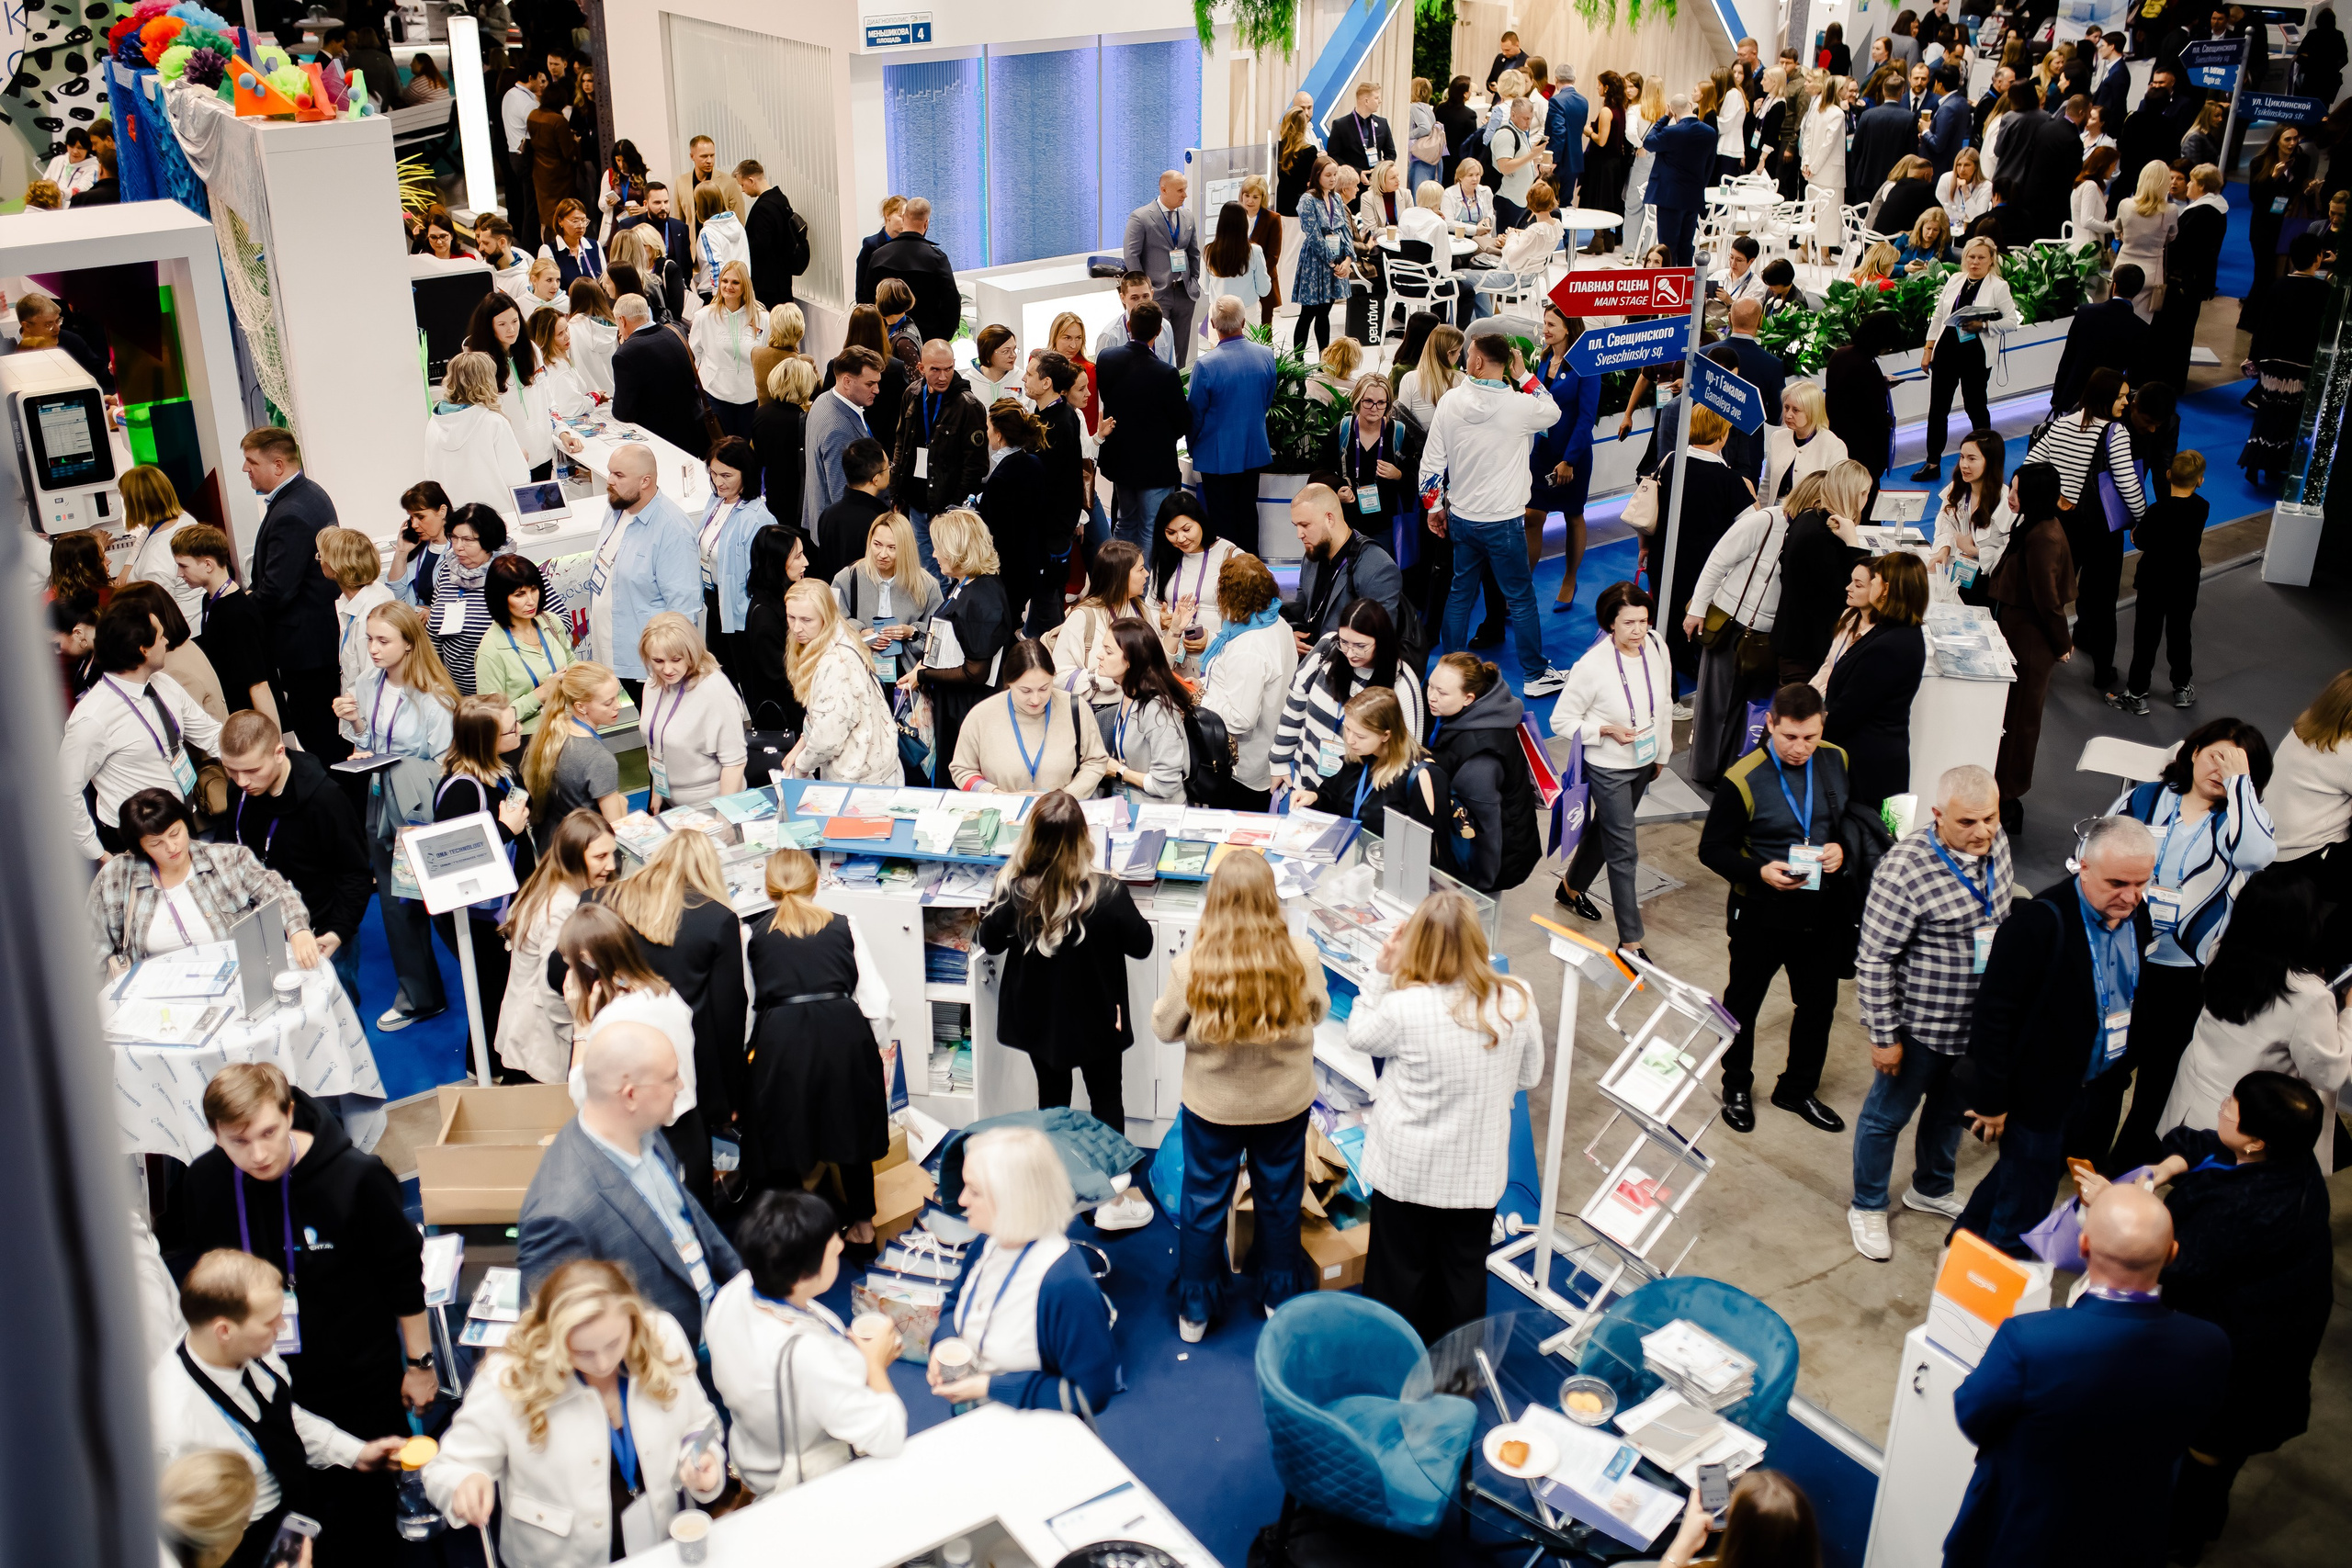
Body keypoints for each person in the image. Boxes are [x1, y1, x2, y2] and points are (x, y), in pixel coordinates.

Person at [161, 1064, 430, 1563]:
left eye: (269, 1132)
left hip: (357, 1377)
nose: (258, 1154)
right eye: (238, 1141)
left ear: (290, 1114)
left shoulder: (356, 1177)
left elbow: (401, 1277)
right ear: (215, 1135)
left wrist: (419, 1364)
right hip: (262, 1376)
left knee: (367, 1515)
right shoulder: (203, 1183)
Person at [1945, 1181, 2231, 1567]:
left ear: (2083, 1246)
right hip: (2132, 1531)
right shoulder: (2209, 1344)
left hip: (2024, 1531)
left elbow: (1973, 1414)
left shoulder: (2030, 1340)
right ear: (2173, 1253)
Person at [2143, 1073, 2335, 1559]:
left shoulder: (2255, 1206)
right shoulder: (2283, 1158)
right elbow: (2205, 1141)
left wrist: (2119, 1215)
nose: (2224, 1105)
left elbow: (2181, 1263)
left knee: (2206, 1456)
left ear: (2255, 1141)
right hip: (2241, 1336)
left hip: (2245, 1358)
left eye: (2234, 1106)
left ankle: (2179, 1542)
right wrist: (2169, 1166)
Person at [427, 1257, 726, 1563]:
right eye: (582, 1352)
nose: (602, 1363)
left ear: (633, 1319)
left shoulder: (662, 1337)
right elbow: (444, 1469)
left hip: (660, 1550)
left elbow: (700, 1423)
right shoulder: (508, 1380)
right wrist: (465, 1484)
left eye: (614, 1343)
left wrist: (703, 1455)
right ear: (551, 1340)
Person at [1953, 813, 2157, 1251]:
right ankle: (1992, 1297)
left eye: (2142, 883)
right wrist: (1991, 1103)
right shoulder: (2038, 925)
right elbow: (1993, 1018)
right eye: (2118, 883)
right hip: (2039, 1094)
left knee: (2019, 1177)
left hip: (2097, 1089)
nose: (2131, 897)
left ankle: (1961, 1245)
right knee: (2027, 1206)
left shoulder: (2138, 917)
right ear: (2084, 865)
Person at [1350, 887, 1543, 1347]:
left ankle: (1395, 1366)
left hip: (1406, 1169)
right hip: (1475, 1172)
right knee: (1463, 1276)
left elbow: (1359, 1036)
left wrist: (1380, 974)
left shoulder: (1404, 1007)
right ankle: (1456, 1379)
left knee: (1399, 1271)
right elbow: (1530, 1075)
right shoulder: (1517, 999)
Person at [1148, 852, 1329, 1340]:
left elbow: (1165, 1027)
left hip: (1214, 1105)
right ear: (1272, 900)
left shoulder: (1193, 966)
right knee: (1280, 1198)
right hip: (1284, 1103)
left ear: (1217, 900)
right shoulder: (1302, 957)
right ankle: (1276, 1295)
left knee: (1204, 1203)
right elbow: (1318, 1011)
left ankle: (1195, 1312)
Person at [1845, 764, 2014, 1260]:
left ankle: (1932, 1187)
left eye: (1991, 818)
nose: (1982, 832)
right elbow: (1874, 957)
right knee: (1886, 1117)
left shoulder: (1995, 842)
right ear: (1938, 816)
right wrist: (1883, 1035)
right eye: (1968, 823)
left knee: (1949, 1112)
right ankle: (1868, 1205)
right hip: (1919, 1026)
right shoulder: (1903, 870)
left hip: (1977, 1024)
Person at [2098, 717, 2278, 1168]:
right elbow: (2097, 849)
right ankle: (2081, 1154)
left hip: (2185, 974)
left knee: (2157, 1082)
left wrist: (2241, 788)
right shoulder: (2145, 798)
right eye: (2217, 755)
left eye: (2239, 765)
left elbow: (2256, 856)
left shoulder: (2242, 823)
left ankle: (2124, 1172)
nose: (2222, 768)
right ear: (2194, 752)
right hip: (2122, 956)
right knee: (2104, 1067)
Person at [150, 1250, 404, 1568]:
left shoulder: (253, 1348)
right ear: (224, 1331)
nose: (283, 1327)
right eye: (271, 1321)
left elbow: (285, 1416)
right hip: (241, 1547)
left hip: (295, 1518)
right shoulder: (171, 1422)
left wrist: (355, 1452)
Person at [518, 1009, 742, 1348]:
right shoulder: (560, 1215)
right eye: (671, 1078)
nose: (680, 1086)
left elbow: (686, 1215)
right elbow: (565, 1341)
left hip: (713, 1325)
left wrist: (743, 1283)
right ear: (631, 1095)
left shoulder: (641, 1131)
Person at [1699, 682, 1854, 1134]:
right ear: (1769, 724)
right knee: (1743, 1004)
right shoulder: (1742, 779)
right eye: (1789, 737)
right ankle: (1737, 1087)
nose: (1800, 748)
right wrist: (1758, 871)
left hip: (1820, 910)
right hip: (1761, 913)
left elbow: (1848, 822)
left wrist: (1840, 849)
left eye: (1809, 737)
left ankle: (1797, 1089)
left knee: (1818, 1004)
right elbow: (1712, 850)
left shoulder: (1836, 759)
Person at [976, 793, 1156, 1173]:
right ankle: (1111, 1184)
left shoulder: (1015, 891)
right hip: (1100, 1021)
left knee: (1053, 1098)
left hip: (1040, 1022)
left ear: (1032, 838)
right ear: (1083, 840)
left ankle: (1057, 1177)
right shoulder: (1107, 894)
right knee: (1107, 1098)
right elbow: (1142, 946)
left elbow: (989, 941)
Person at [706, 1190, 906, 1495]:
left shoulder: (731, 1294)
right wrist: (875, 1365)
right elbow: (889, 1435)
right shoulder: (807, 1356)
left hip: (754, 1450)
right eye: (832, 1246)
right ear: (800, 1276)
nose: (840, 1243)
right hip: (803, 1481)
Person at [737, 844, 896, 1224]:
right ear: (816, 883)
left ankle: (799, 1233)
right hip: (843, 1033)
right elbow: (877, 1000)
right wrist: (877, 1045)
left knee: (786, 1134)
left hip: (782, 1040)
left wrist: (746, 1053)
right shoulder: (845, 924)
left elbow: (748, 1006)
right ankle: (861, 1225)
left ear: (767, 887)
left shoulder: (751, 935)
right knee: (851, 1129)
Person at [1423, 332, 1572, 697]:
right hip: (1504, 522)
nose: (1464, 360)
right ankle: (1535, 675)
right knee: (1520, 598)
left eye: (1468, 354)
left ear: (1476, 362)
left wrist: (1435, 508)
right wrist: (1524, 376)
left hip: (1462, 517)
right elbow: (1553, 411)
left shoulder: (1450, 402)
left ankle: (1450, 672)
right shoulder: (1520, 406)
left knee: (1460, 594)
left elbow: (1431, 464)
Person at [932, 1126, 1122, 1409]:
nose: (961, 1201)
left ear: (1013, 1199)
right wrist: (944, 1342)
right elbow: (955, 1300)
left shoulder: (1064, 1282)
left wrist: (989, 1386)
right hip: (979, 1420)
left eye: (974, 1191)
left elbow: (1089, 1394)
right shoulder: (989, 1242)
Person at [332, 600, 456, 1029]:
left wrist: (394, 762)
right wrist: (355, 725)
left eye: (383, 640)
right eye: (369, 638)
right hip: (381, 802)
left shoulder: (435, 697)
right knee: (395, 903)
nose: (373, 648)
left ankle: (487, 980)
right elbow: (368, 734)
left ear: (408, 644)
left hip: (419, 812)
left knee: (437, 904)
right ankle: (420, 995)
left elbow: (445, 765)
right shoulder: (369, 683)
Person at [219, 713, 373, 1005]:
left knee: (338, 1014)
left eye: (251, 770)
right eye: (231, 770)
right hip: (261, 927)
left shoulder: (325, 799)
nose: (241, 781)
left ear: (279, 753)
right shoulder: (239, 789)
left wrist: (338, 932)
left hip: (320, 929)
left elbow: (355, 874)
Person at [1553, 582, 1675, 953]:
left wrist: (1662, 753)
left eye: (1644, 621)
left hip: (1644, 758)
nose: (1639, 631)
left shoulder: (1656, 645)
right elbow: (1561, 721)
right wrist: (1603, 729)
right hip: (1608, 766)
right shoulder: (1591, 666)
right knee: (1624, 849)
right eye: (1629, 623)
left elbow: (1665, 702)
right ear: (1610, 624)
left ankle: (1571, 888)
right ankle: (1631, 941)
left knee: (1607, 828)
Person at [86, 788, 315, 978]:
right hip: (156, 993)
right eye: (156, 843)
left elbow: (275, 889)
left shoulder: (227, 859)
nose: (171, 847)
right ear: (140, 847)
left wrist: (297, 930)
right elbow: (91, 947)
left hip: (231, 979)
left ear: (186, 825)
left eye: (175, 833)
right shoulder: (116, 877)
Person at [62, 603, 224, 861]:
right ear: (143, 650)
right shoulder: (92, 719)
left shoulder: (163, 684)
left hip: (180, 823)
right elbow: (65, 789)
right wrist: (98, 854)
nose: (167, 641)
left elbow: (210, 734)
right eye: (160, 636)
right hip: (137, 840)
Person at [2026, 368, 2143, 692]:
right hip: (2102, 528)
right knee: (2101, 598)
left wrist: (2059, 495)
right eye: (2120, 396)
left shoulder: (2059, 424)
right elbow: (2127, 483)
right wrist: (2142, 518)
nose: (2126, 401)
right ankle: (2102, 673)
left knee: (2051, 594)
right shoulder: (2115, 433)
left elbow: (2031, 466)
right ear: (2105, 398)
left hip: (2060, 525)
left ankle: (2036, 658)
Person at [239, 428, 343, 760]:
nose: (245, 469)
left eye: (251, 462)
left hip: (303, 650)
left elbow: (277, 591)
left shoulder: (291, 513)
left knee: (319, 739)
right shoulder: (309, 493)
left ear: (279, 465)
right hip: (314, 639)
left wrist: (239, 607)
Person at [1271, 598, 1427, 797]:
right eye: (1344, 642)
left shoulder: (1402, 684)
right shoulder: (1328, 648)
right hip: (1307, 783)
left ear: (1381, 641)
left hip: (1356, 797)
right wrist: (1280, 760)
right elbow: (1296, 703)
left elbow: (1407, 756)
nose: (1350, 653)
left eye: (1361, 645)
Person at [582, 443, 702, 701]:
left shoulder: (672, 529)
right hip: (611, 652)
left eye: (619, 475)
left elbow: (683, 607)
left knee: (662, 734)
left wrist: (671, 665)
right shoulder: (616, 508)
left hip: (648, 666)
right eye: (610, 472)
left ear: (645, 480)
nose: (609, 481)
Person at [1654, 404, 1762, 684]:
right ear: (1723, 436)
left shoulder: (1670, 461)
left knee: (1664, 622)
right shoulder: (1729, 480)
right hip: (1704, 568)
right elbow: (1755, 527)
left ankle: (1670, 678)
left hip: (1664, 557)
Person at [907, 510, 1013, 790]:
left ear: (958, 550)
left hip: (967, 714)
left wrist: (926, 675)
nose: (933, 555)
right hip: (955, 708)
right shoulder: (968, 586)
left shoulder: (982, 598)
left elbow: (976, 672)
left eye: (938, 548)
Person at [1423, 652, 1542, 897]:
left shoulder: (1480, 757)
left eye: (1442, 693)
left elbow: (1487, 832)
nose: (1431, 697)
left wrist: (1474, 887)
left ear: (1468, 698)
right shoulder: (1480, 712)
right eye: (1430, 686)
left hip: (1491, 864)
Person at [1821, 553, 1929, 807]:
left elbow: (1850, 710)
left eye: (1875, 579)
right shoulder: (1894, 631)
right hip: (1872, 763)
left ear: (1886, 589)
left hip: (1866, 772)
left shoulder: (1891, 646)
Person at [1909, 238, 2021, 482]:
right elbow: (1939, 315)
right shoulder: (1955, 279)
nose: (1975, 262)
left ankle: (1987, 460)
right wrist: (1928, 349)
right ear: (1964, 258)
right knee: (1938, 409)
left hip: (1975, 354)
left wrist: (1984, 325)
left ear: (1991, 259)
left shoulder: (1998, 287)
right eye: (1971, 257)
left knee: (1975, 407)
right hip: (1947, 350)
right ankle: (1932, 462)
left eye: (1981, 257)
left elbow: (2012, 322)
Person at [1193, 554, 1298, 811]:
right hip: (1267, 756)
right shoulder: (1276, 623)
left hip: (1243, 769)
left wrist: (1199, 697)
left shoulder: (1248, 647)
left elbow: (1241, 719)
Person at [772, 580, 899, 786]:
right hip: (865, 766)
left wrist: (802, 767)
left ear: (826, 617)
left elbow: (827, 738)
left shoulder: (836, 663)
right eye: (791, 617)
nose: (796, 628)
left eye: (806, 620)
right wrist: (801, 746)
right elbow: (822, 715)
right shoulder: (835, 637)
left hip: (861, 779)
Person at [952, 637, 1110, 796]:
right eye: (1025, 691)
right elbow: (962, 770)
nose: (1035, 700)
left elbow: (1095, 761)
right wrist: (997, 795)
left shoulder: (1074, 708)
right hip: (1001, 811)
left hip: (1062, 813)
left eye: (1044, 688)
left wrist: (1067, 796)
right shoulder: (982, 715)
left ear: (1054, 677)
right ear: (1009, 682)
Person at [1094, 304, 1191, 556]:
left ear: (1128, 326)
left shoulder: (1106, 359)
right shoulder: (1166, 373)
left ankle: (1119, 586)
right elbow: (1182, 420)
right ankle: (1144, 592)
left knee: (1124, 522)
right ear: (1159, 331)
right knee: (1151, 527)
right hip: (1155, 466)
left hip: (1120, 462)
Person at [1185, 297, 1280, 554]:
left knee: (1221, 521)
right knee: (1248, 513)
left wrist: (1193, 448)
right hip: (1253, 449)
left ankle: (1228, 578)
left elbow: (1194, 414)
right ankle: (1252, 574)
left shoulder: (1206, 365)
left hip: (1216, 457)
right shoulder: (1265, 355)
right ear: (1244, 322)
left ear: (1213, 324)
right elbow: (1266, 400)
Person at [892, 339, 990, 576]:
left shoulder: (969, 405)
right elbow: (901, 444)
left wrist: (955, 507)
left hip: (948, 506)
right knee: (926, 568)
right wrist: (896, 491)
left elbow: (976, 465)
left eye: (948, 368)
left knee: (952, 570)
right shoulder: (912, 394)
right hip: (916, 501)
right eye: (935, 369)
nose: (943, 376)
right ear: (921, 368)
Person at [165, 525, 276, 724]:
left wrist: (274, 744)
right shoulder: (210, 600)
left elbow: (258, 684)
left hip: (250, 718)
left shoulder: (236, 612)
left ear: (208, 565)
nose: (180, 574)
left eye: (184, 566)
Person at [973, 400, 1057, 638]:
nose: (987, 433)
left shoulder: (1001, 477)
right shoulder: (1033, 462)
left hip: (1008, 568)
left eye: (989, 429)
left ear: (999, 436)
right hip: (1031, 561)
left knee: (1004, 625)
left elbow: (1000, 532)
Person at [832, 509, 941, 687]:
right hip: (859, 674)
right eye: (877, 545)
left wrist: (911, 632)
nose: (882, 554)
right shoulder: (846, 578)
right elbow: (831, 624)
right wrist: (860, 632)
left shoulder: (926, 585)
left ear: (905, 549)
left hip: (907, 676)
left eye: (892, 548)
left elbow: (938, 638)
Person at [1092, 618, 1193, 808]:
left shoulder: (1157, 709)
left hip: (1161, 815)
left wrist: (1119, 770)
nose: (1099, 655)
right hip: (1134, 807)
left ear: (1131, 660)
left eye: (1108, 651)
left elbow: (1166, 784)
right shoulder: (1129, 695)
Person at [803, 349, 886, 568]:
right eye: (870, 384)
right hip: (847, 541)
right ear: (847, 381)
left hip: (825, 525)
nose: (877, 390)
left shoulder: (823, 400)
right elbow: (843, 494)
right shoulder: (839, 429)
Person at [523, 662, 629, 828]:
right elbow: (616, 828)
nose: (618, 706)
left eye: (618, 696)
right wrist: (622, 803)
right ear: (581, 707)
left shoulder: (551, 736)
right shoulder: (598, 759)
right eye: (608, 703)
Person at [472, 554, 574, 723]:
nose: (531, 601)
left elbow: (571, 661)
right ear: (500, 598)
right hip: (528, 741)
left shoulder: (551, 621)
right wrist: (539, 695)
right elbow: (493, 718)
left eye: (534, 590)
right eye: (519, 594)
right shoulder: (490, 650)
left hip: (569, 725)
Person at [1149, 492, 1238, 676]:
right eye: (1171, 533)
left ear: (1200, 522)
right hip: (1172, 664)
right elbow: (1149, 607)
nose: (1180, 539)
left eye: (1186, 529)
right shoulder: (1164, 558)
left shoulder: (1231, 556)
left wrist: (1213, 639)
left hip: (1219, 662)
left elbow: (1250, 617)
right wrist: (1160, 621)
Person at [1120, 169, 1204, 363]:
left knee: (1181, 349)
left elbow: (1194, 253)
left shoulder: (1187, 216)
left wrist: (1193, 280)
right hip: (1156, 293)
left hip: (1184, 293)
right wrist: (1144, 292)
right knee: (1157, 349)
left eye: (1185, 189)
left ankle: (1178, 385)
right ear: (1164, 189)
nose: (1185, 194)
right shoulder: (1140, 217)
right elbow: (1132, 256)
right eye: (1180, 190)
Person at [119, 466, 209, 626]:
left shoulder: (156, 562)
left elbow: (158, 615)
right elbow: (145, 535)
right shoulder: (182, 519)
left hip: (179, 636)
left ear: (135, 504)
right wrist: (127, 568)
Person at [865, 197, 960, 344]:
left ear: (903, 218)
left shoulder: (879, 256)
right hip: (928, 341)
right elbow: (951, 303)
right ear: (926, 223)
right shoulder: (936, 259)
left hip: (887, 340)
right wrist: (942, 338)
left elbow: (868, 299)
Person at [1291, 157, 1360, 354]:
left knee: (1325, 313)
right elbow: (1313, 235)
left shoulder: (1336, 198)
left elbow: (1346, 231)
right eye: (1328, 175)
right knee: (1308, 313)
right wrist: (1333, 261)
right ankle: (1297, 362)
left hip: (1337, 261)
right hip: (1315, 262)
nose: (1332, 179)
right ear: (1317, 176)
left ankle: (1325, 361)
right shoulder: (1307, 200)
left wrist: (1347, 260)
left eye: (1335, 175)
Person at [1642, 93, 1720, 263]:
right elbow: (1710, 164)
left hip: (1669, 198)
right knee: (1686, 244)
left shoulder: (1671, 132)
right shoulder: (1710, 132)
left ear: (1674, 113)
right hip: (1693, 195)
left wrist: (1664, 118)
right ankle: (1685, 283)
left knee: (1667, 247)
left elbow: (1648, 142)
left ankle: (1668, 283)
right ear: (1691, 105)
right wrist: (1700, 186)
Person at [1760, 381, 1849, 508]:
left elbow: (1838, 494)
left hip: (1810, 518)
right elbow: (1766, 485)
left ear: (1812, 411)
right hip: (1775, 512)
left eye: (1796, 410)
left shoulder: (1833, 445)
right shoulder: (1777, 438)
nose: (1788, 414)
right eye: (1786, 407)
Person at [755, 357, 818, 530]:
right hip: (797, 498)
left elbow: (760, 456)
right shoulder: (804, 420)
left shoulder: (761, 414)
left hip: (771, 491)